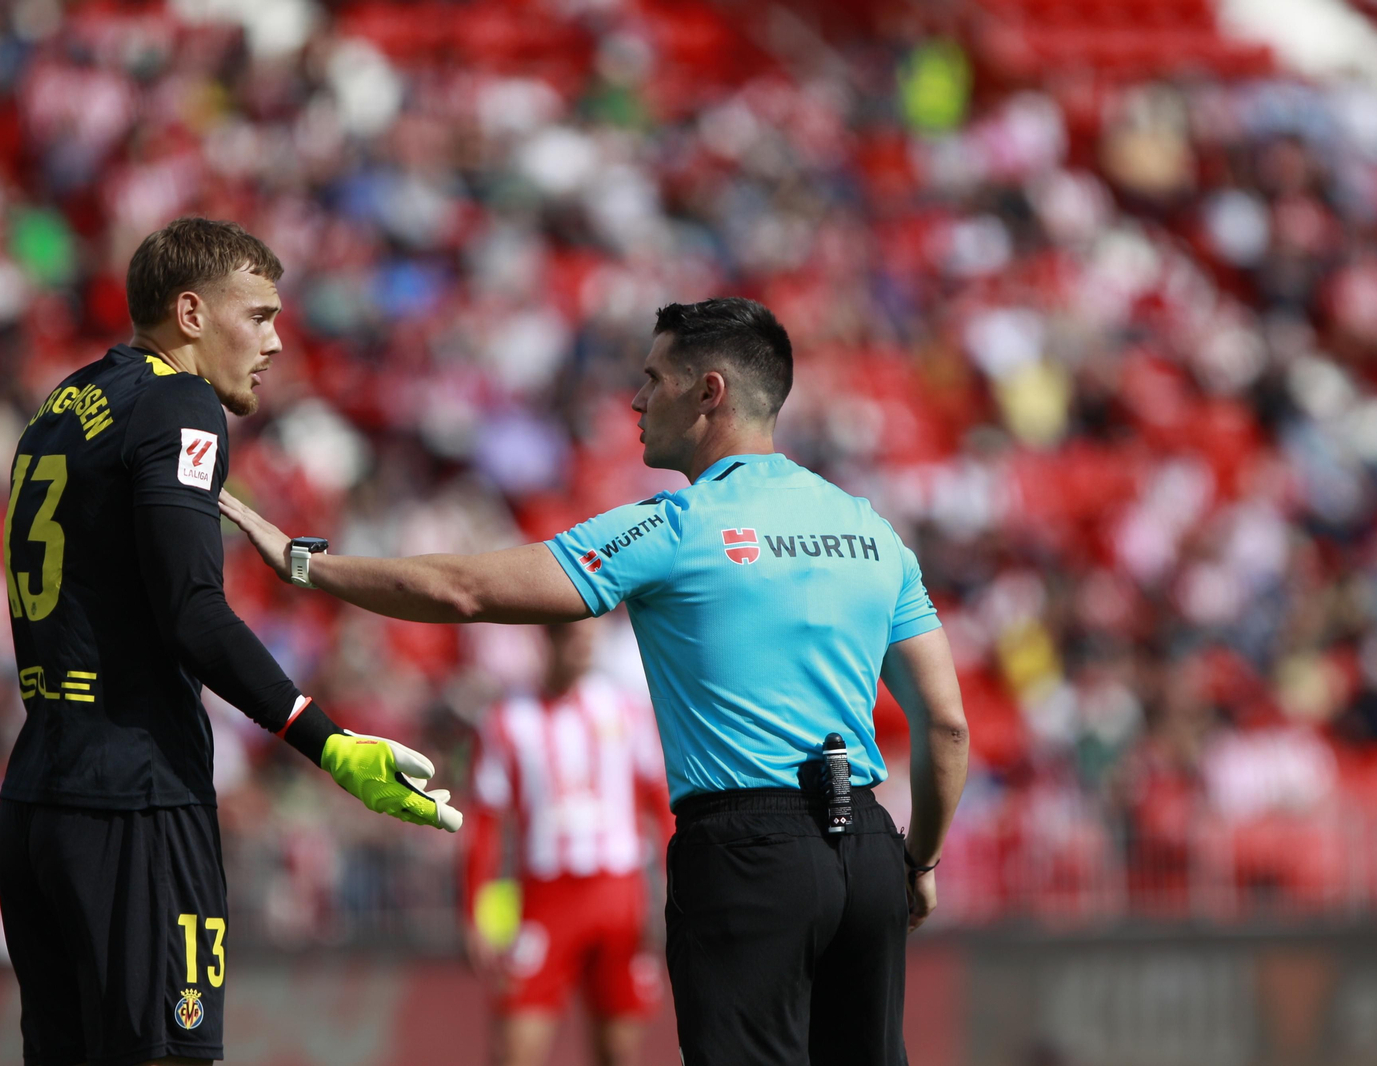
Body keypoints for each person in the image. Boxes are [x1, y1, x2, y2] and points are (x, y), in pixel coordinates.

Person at [220, 296, 971, 1066]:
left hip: (747, 852)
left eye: (653, 378)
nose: (637, 400)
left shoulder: (675, 526)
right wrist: (919, 861)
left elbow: (463, 591)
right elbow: (946, 723)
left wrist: (306, 564)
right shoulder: (871, 530)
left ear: (708, 392)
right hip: (869, 847)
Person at [0, 216, 461, 1066]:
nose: (276, 342)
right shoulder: (179, 401)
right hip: (135, 797)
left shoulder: (63, 405)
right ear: (191, 313)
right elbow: (193, 612)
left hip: (37, 797)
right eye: (259, 315)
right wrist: (331, 743)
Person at [463, 620, 674, 1066]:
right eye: (575, 640)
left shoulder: (626, 710)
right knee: (515, 1048)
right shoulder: (507, 719)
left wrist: (675, 884)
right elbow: (484, 821)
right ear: (549, 638)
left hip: (619, 893)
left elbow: (661, 802)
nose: (584, 650)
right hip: (546, 896)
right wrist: (474, 910)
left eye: (589, 640)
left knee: (618, 1048)